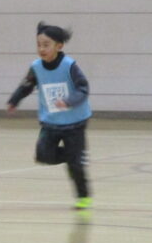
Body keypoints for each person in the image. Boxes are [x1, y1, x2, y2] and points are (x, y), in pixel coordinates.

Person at [6, 22, 92, 210]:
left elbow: (83, 88)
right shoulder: (36, 67)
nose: (41, 49)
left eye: (46, 45)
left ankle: (83, 197)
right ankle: (75, 155)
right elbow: (26, 86)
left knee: (75, 167)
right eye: (39, 45)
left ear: (59, 46)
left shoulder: (69, 65)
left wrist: (69, 101)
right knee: (43, 154)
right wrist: (14, 100)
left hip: (75, 122)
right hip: (51, 122)